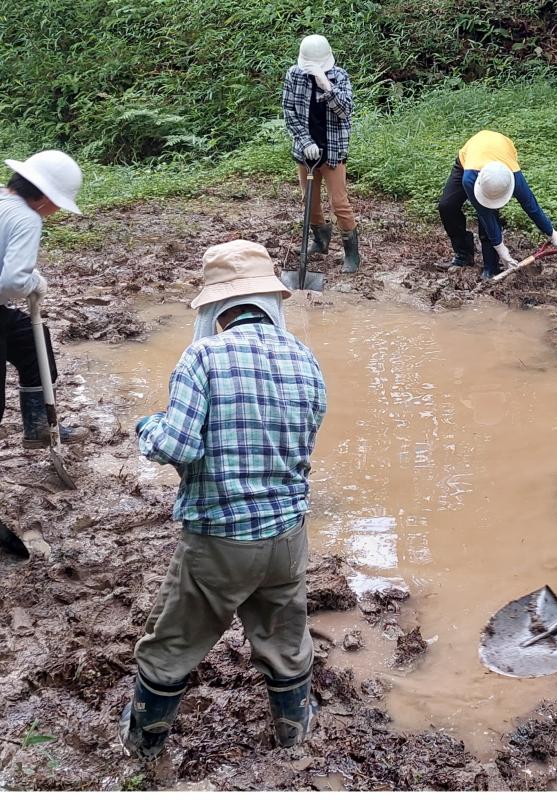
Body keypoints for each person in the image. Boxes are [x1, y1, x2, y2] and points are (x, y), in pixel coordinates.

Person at [119, 240, 327, 760]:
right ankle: (292, 734)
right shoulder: (304, 356)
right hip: (288, 534)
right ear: (270, 302)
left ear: (216, 306)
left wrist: (148, 427)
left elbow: (177, 445)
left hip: (219, 538)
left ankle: (143, 747)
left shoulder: (203, 356)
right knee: (284, 639)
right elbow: (305, 434)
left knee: (173, 644)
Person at [1, 150, 86, 448]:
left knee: (31, 342)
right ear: (46, 199)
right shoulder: (27, 218)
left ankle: (38, 426)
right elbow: (12, 283)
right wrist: (34, 281)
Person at [437, 129, 557, 280]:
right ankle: (463, 255)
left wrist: (552, 233)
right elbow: (484, 214)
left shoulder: (514, 176)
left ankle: (491, 268)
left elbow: (531, 206)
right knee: (447, 206)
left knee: (490, 216)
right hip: (469, 160)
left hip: (502, 156)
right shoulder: (469, 179)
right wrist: (502, 250)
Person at [281, 34, 360, 273]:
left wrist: (326, 84)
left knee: (340, 203)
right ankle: (320, 240)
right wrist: (305, 142)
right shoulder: (294, 74)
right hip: (306, 152)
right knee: (310, 201)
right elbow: (289, 111)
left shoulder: (340, 76)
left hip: (333, 149)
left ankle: (351, 254)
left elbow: (345, 111)